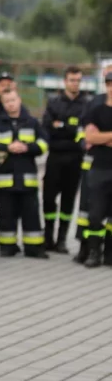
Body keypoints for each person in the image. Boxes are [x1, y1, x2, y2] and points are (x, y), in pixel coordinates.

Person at [0, 88, 49, 258]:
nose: (11, 104)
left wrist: (27, 148)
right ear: (3, 104)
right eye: (7, 101)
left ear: (19, 100)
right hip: (4, 182)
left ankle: (33, 248)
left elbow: (44, 143)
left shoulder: (31, 122)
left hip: (28, 181)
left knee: (31, 216)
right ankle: (7, 247)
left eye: (13, 100)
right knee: (6, 216)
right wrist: (6, 147)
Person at [41, 66, 88, 253]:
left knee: (69, 200)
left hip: (75, 159)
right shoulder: (53, 103)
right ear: (65, 81)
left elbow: (84, 132)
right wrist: (71, 128)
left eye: (77, 80)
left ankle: (62, 239)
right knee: (49, 198)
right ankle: (48, 237)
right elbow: (47, 127)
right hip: (55, 158)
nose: (74, 83)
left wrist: (61, 126)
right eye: (71, 80)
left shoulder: (86, 105)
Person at [81, 71, 112, 268]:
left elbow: (98, 137)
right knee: (95, 214)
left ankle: (110, 253)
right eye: (109, 84)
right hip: (99, 168)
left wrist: (104, 137)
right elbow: (90, 138)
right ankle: (94, 252)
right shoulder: (96, 110)